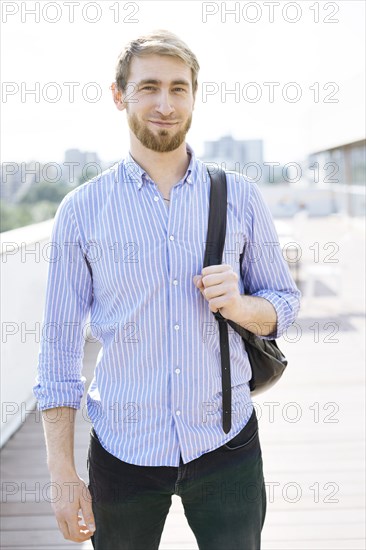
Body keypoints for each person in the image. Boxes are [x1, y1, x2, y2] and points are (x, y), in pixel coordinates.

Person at [33, 29, 301, 550]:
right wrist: (63, 475)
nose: (165, 103)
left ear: (194, 96)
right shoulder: (82, 211)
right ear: (119, 95)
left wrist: (244, 306)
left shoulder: (240, 196)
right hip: (123, 450)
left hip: (226, 444)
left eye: (179, 88)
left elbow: (284, 306)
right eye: (149, 86)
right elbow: (58, 353)